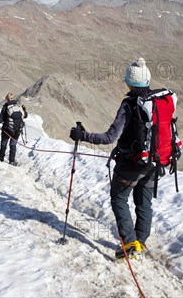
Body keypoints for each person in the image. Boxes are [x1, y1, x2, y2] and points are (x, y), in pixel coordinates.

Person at [70, 58, 156, 259]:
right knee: (144, 203)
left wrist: (82, 136)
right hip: (154, 162)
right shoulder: (157, 101)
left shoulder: (130, 105)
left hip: (132, 163)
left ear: (129, 81)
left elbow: (110, 137)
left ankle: (129, 243)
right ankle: (141, 242)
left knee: (119, 198)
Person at [0, 93, 27, 165]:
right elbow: (25, 115)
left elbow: (0, 120)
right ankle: (12, 161)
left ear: (7, 99)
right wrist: (24, 110)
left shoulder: (5, 107)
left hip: (7, 129)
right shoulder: (18, 106)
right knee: (13, 144)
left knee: (4, 142)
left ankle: (1, 157)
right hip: (17, 130)